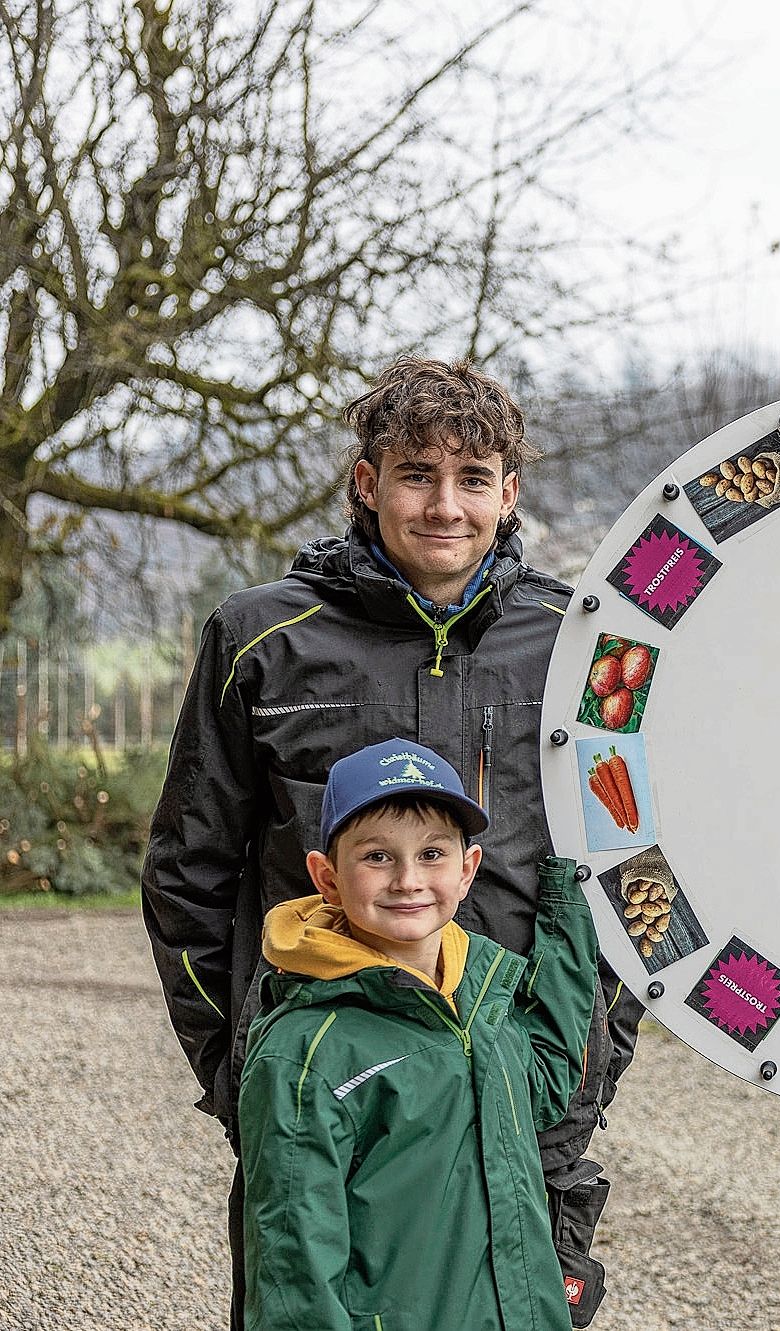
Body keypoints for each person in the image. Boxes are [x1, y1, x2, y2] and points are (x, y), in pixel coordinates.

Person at [142, 356, 635, 1327]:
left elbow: (623, 873)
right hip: (333, 1098)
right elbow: (187, 873)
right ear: (367, 483)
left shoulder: (576, 645)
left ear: (509, 493)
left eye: (473, 478)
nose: (445, 505)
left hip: (518, 1090)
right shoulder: (263, 640)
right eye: (417, 474)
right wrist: (243, 1068)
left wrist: (583, 1069)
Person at [240, 738, 596, 1331]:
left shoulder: (481, 999)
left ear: (467, 870)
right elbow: (294, 1273)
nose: (408, 880)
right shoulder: (304, 1054)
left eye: (432, 854)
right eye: (377, 856)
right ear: (327, 877)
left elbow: (547, 1083)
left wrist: (569, 904)